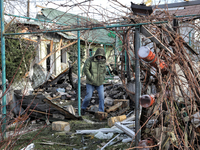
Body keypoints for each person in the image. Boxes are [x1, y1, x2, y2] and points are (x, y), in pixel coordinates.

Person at [81, 48, 106, 115]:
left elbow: (104, 71)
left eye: (101, 56)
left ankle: (101, 112)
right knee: (88, 96)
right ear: (96, 55)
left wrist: (102, 78)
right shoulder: (90, 60)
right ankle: (83, 108)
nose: (99, 57)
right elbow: (86, 70)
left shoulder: (103, 61)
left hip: (99, 83)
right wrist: (92, 78)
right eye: (98, 56)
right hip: (90, 82)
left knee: (102, 97)